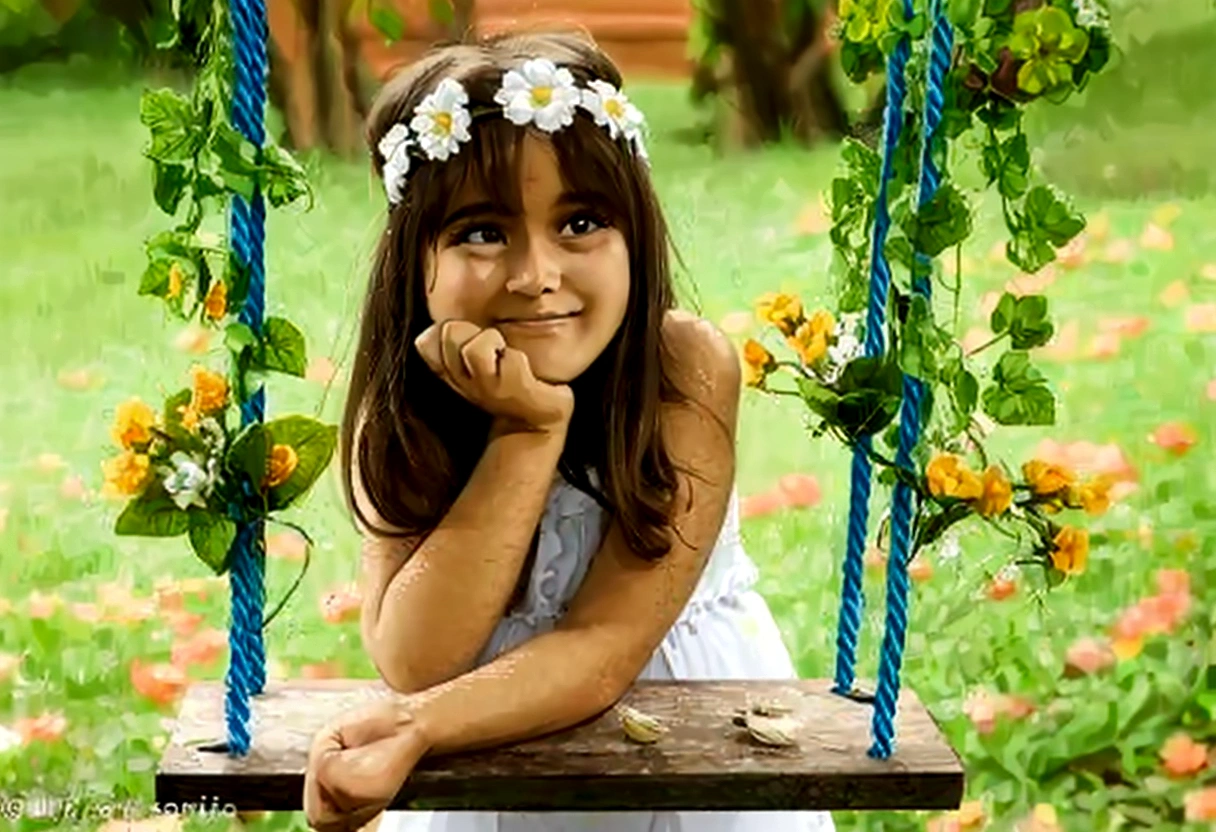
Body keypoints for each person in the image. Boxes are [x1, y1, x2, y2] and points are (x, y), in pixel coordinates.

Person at [302, 28, 836, 832]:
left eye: (581, 222)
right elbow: (416, 658)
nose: (536, 274)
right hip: (486, 767)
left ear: (634, 234)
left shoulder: (679, 370)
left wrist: (415, 728)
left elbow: (602, 646)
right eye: (482, 231)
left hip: (679, 767)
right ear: (418, 262)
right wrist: (527, 431)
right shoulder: (405, 401)